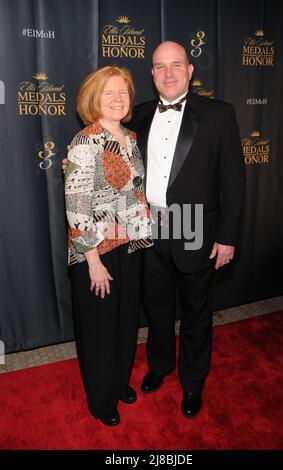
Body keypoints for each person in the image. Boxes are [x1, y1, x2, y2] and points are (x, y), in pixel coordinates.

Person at [130, 41, 245, 418]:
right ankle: (160, 366)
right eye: (159, 66)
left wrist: (227, 236)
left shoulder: (219, 115)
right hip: (150, 224)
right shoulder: (140, 114)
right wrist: (77, 160)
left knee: (196, 310)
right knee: (157, 306)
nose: (167, 73)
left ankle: (193, 383)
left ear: (190, 71)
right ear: (151, 73)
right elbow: (109, 151)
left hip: (196, 222)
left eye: (175, 65)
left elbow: (234, 180)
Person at [64, 65, 152, 426]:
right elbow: (76, 206)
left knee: (124, 322)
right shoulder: (86, 141)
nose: (118, 99)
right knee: (100, 329)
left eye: (123, 92)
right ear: (93, 99)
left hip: (131, 245)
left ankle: (118, 383)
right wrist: (93, 261)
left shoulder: (130, 137)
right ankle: (101, 400)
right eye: (108, 93)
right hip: (96, 253)